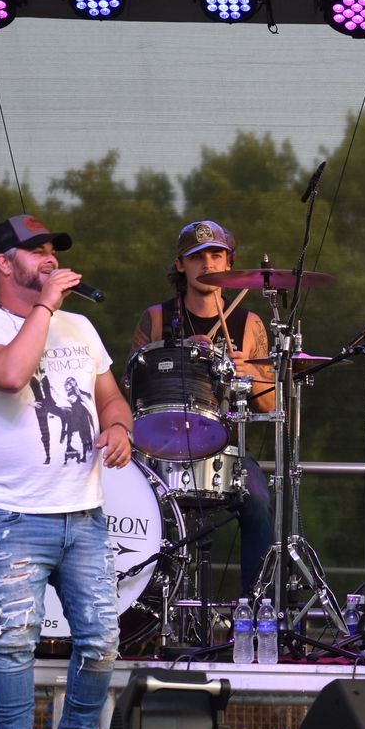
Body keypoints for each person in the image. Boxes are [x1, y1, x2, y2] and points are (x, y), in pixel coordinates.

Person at [0, 213, 133, 729]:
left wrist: (120, 427)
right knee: (15, 641)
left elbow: (111, 397)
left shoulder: (81, 327)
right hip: (16, 516)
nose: (51, 258)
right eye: (36, 250)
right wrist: (47, 306)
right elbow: (9, 374)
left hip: (85, 513)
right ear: (4, 263)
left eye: (53, 249)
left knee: (101, 641)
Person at [129, 219, 275, 598]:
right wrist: (179, 354)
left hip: (225, 451)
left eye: (216, 255)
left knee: (259, 500)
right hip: (160, 449)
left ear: (229, 262)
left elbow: (271, 405)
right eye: (197, 257)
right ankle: (140, 604)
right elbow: (133, 389)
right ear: (181, 265)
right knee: (125, 498)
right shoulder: (157, 318)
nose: (208, 264)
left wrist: (249, 372)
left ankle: (254, 609)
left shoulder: (247, 323)